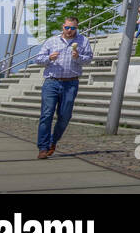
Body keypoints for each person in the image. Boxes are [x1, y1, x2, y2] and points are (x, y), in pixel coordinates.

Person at [32, 16, 95, 159]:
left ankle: (53, 141)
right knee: (46, 114)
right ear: (63, 27)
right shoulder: (52, 41)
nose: (69, 30)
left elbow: (89, 59)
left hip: (70, 83)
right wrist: (49, 58)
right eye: (67, 27)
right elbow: (38, 59)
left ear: (76, 28)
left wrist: (78, 57)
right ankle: (43, 147)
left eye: (73, 28)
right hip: (52, 82)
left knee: (65, 116)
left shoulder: (83, 41)